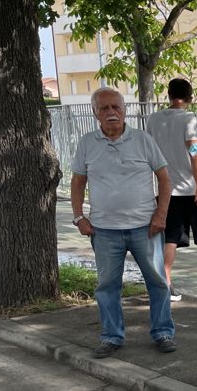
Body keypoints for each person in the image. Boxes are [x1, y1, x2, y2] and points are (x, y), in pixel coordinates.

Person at [70, 88, 177, 359]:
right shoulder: (87, 143)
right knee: (107, 286)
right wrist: (79, 217)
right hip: (104, 230)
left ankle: (163, 332)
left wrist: (161, 215)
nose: (111, 113)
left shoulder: (143, 140)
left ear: (124, 110)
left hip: (146, 228)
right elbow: (78, 182)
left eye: (115, 107)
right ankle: (111, 336)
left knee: (158, 282)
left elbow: (165, 179)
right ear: (95, 113)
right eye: (104, 108)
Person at [146, 78, 197, 301]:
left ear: (169, 95)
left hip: (166, 190)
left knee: (170, 239)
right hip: (191, 190)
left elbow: (150, 151)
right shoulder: (190, 119)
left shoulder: (153, 120)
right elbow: (195, 153)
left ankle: (166, 282)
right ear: (190, 97)